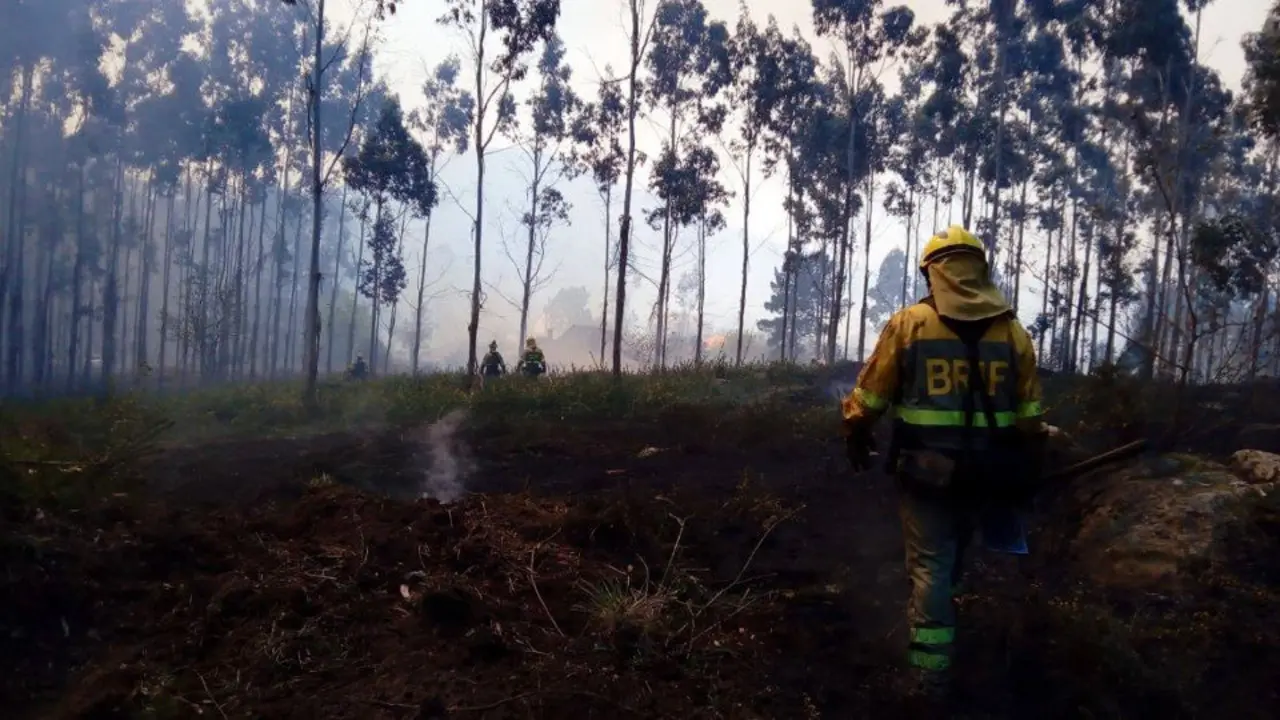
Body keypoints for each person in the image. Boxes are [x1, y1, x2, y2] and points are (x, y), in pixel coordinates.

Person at [839, 225, 1048, 703]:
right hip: (989, 474)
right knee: (955, 558)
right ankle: (956, 634)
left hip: (926, 473)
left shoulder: (911, 324)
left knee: (931, 566)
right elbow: (1030, 419)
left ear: (933, 273)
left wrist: (855, 431)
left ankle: (929, 677)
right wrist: (1029, 466)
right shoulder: (1012, 332)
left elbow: (869, 400)